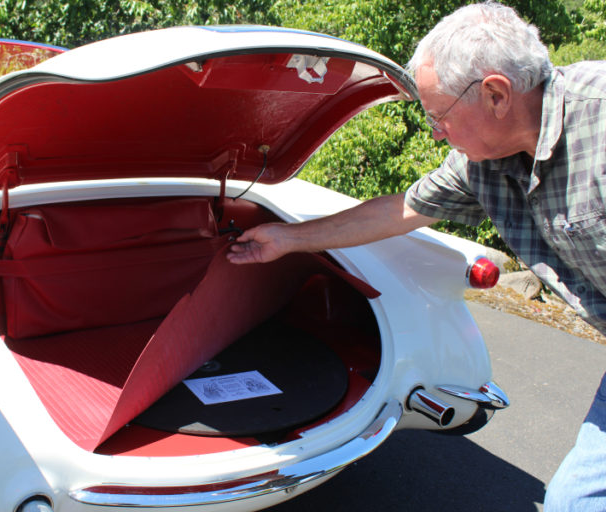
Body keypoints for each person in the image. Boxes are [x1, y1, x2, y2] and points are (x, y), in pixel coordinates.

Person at [226, 2, 606, 510]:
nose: (435, 132)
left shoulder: (599, 117)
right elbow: (402, 209)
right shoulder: (482, 165)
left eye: (439, 115)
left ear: (495, 94)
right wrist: (289, 239)